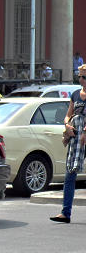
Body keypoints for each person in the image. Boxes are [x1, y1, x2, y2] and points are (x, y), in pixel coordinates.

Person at [50, 65, 86, 223]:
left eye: (83, 77)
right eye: (79, 76)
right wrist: (67, 126)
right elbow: (67, 115)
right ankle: (65, 213)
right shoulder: (76, 94)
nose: (80, 79)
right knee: (70, 174)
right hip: (76, 136)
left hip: (84, 134)